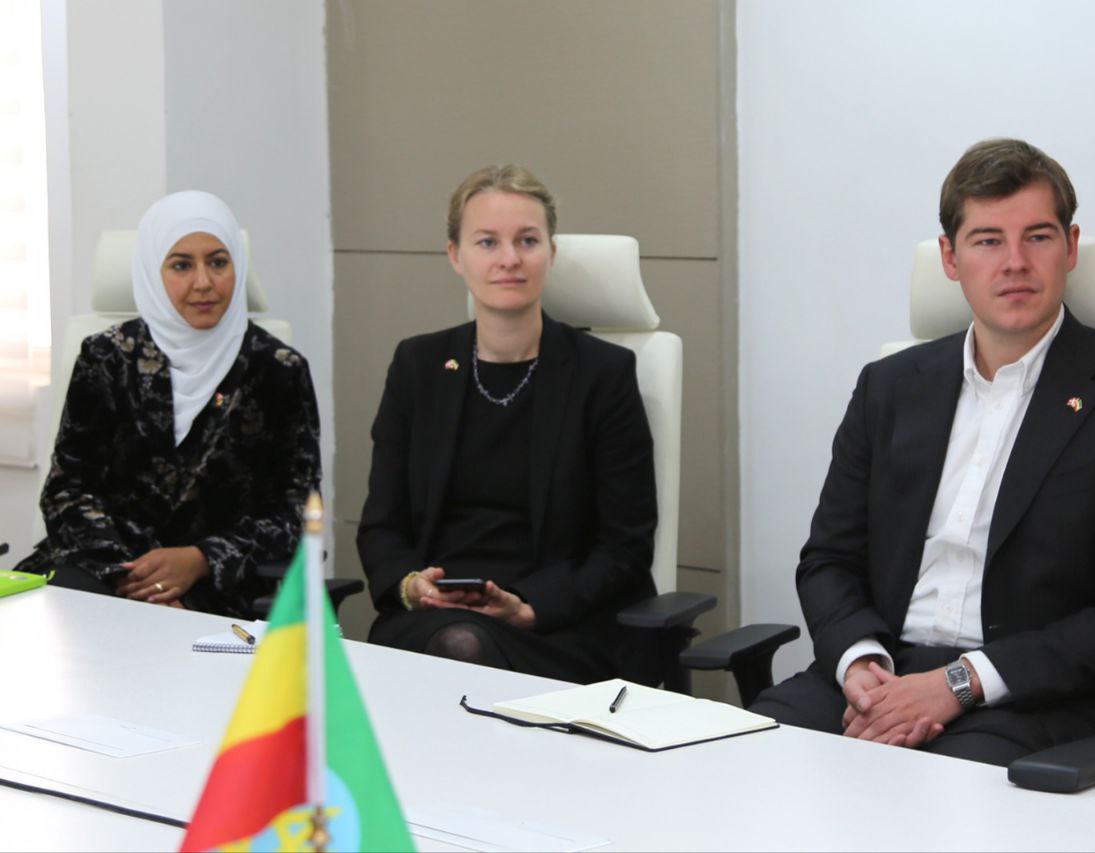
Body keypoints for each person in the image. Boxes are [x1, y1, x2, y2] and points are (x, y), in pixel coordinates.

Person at [750, 139, 1095, 767]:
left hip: (1028, 697)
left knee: (937, 798)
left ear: (1071, 247)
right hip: (879, 674)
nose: (1015, 262)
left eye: (1037, 237)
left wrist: (960, 683)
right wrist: (859, 663)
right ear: (950, 257)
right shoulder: (889, 388)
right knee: (746, 761)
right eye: (988, 240)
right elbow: (829, 559)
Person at [357, 164, 659, 683]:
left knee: (462, 648)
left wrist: (529, 606)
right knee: (455, 641)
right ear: (455, 255)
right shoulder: (417, 366)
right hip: (435, 615)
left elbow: (625, 546)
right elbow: (382, 524)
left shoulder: (602, 374)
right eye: (487, 242)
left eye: (527, 241)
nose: (510, 259)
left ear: (551, 253)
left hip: (561, 621)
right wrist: (410, 587)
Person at [16, 191, 321, 617]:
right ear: (151, 271)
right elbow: (67, 490)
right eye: (181, 265)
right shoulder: (107, 357)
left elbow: (296, 512)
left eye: (218, 262)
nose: (203, 282)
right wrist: (134, 576)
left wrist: (200, 559)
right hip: (102, 568)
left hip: (221, 584)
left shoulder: (279, 369)